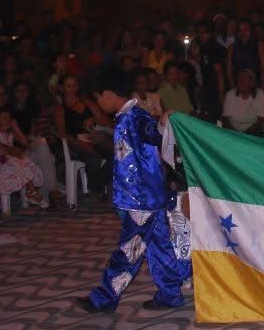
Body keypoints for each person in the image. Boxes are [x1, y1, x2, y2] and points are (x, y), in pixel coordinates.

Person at [76, 87, 190, 314]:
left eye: (99, 99)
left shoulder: (135, 116)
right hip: (147, 195)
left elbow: (152, 132)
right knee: (161, 247)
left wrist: (161, 124)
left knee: (129, 248)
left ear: (108, 94)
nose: (100, 106)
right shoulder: (127, 116)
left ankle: (104, 298)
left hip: (141, 198)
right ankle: (170, 294)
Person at [0, 108, 47, 213]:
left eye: (9, 118)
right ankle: (31, 192)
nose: (7, 120)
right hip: (1, 166)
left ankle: (30, 192)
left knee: (24, 161)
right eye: (4, 118)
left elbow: (24, 143)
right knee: (20, 161)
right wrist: (5, 148)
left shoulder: (10, 134)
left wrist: (16, 128)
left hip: (12, 163)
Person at [222, 68, 264, 135]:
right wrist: (235, 133)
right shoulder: (230, 95)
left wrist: (245, 135)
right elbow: (225, 119)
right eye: (239, 79)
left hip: (252, 133)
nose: (241, 81)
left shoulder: (261, 95)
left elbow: (261, 120)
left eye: (245, 79)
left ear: (252, 83)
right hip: (232, 133)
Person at [227, 19, 264, 90]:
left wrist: (263, 87)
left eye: (246, 30)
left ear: (251, 31)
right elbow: (229, 69)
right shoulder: (232, 47)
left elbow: (263, 68)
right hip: (238, 86)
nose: (243, 33)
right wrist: (232, 86)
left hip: (255, 85)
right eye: (240, 30)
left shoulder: (259, 45)